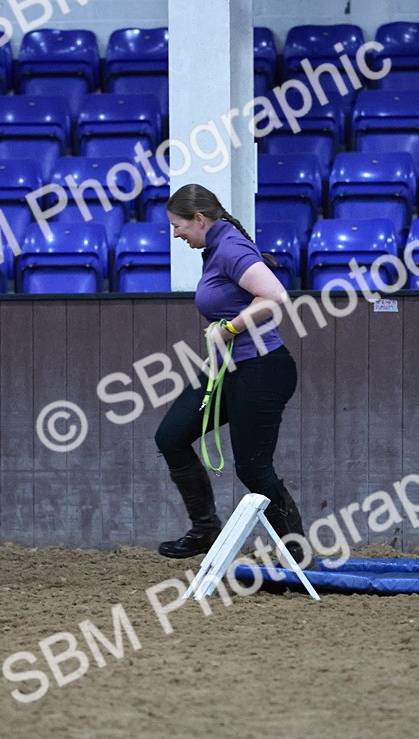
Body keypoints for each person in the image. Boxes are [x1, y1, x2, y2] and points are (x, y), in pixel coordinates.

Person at [155, 183, 305, 562]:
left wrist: (230, 328)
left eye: (179, 226)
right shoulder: (217, 246)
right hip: (229, 369)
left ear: (199, 219)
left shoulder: (230, 247)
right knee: (172, 437)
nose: (176, 234)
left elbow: (275, 297)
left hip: (262, 369)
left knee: (254, 468)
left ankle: (299, 556)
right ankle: (205, 530)